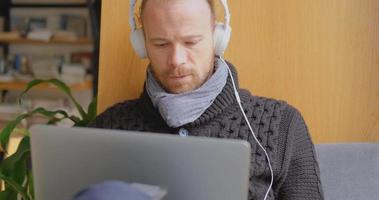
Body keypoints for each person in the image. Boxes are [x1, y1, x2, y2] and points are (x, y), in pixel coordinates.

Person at [89, 0, 324, 199]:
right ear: (141, 44)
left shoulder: (280, 125)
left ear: (218, 36)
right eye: (161, 44)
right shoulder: (109, 128)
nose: (176, 60)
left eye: (191, 42)